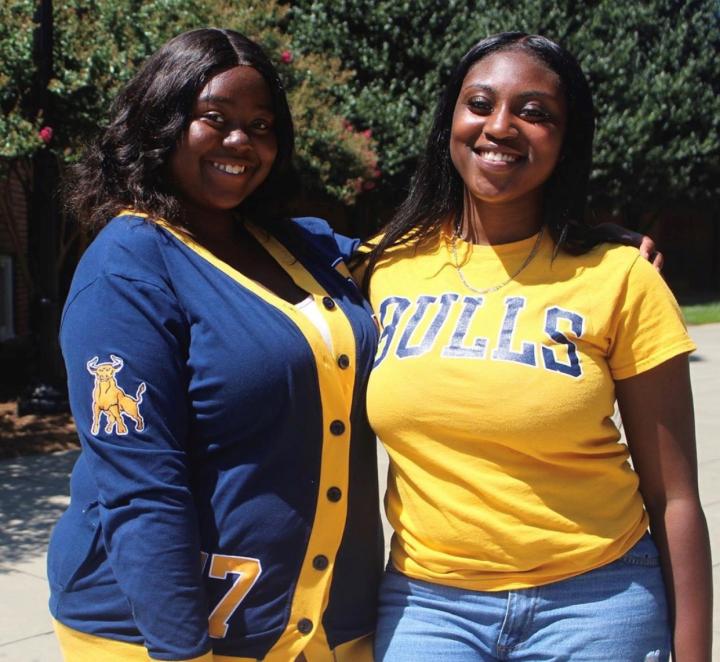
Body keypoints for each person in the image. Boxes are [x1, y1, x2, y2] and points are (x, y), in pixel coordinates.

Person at [359, 32, 712, 661]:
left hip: (597, 603)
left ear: (566, 139)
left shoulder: (620, 275)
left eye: (534, 112)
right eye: (480, 104)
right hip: (427, 605)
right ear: (451, 121)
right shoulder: (384, 265)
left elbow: (675, 495)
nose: (501, 127)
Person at [46, 28, 383, 661]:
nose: (240, 141)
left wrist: (579, 245)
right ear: (162, 123)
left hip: (329, 624)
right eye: (215, 118)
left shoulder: (302, 246)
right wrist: (182, 651)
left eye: (260, 125)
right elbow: (142, 488)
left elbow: (429, 259)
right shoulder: (128, 269)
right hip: (160, 636)